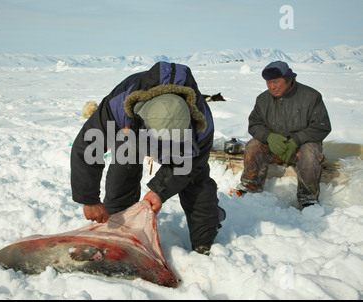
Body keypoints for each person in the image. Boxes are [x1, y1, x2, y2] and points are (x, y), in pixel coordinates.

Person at [71, 61, 225, 254]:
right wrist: (89, 199)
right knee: (124, 163)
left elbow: (190, 165)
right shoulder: (121, 102)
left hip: (182, 147)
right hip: (133, 134)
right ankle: (119, 224)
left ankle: (204, 239)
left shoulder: (201, 123)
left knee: (197, 181)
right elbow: (87, 147)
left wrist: (159, 191)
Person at [233, 61, 332, 209]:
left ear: (289, 79)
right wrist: (269, 137)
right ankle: (249, 186)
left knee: (311, 151)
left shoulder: (311, 97)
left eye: (276, 82)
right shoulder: (263, 99)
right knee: (253, 145)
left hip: (300, 150)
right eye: (268, 82)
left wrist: (296, 140)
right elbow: (254, 124)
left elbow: (322, 126)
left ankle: (308, 197)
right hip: (275, 149)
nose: (272, 86)